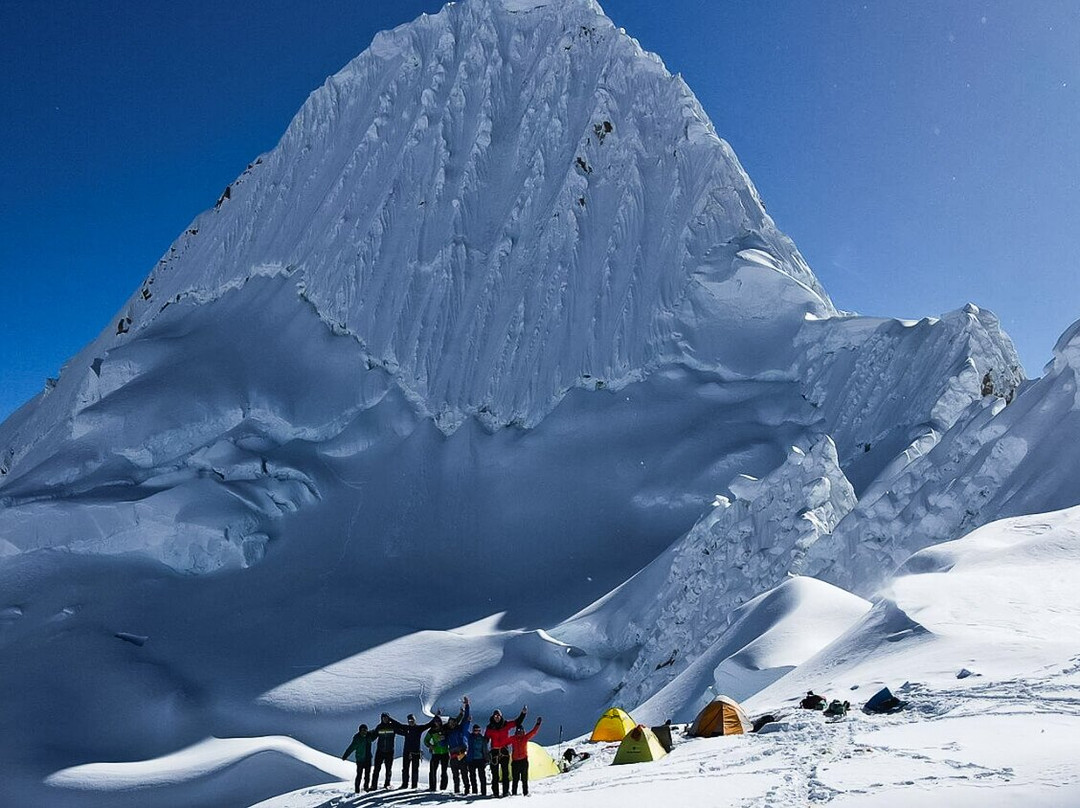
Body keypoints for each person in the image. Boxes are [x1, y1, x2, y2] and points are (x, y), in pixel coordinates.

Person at [485, 705, 527, 798]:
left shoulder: (506, 724)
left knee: (505, 774)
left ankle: (505, 792)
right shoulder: (490, 727)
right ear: (493, 716)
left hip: (504, 751)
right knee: (495, 774)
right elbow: (486, 739)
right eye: (495, 716)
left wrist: (523, 713)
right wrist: (485, 751)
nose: (497, 717)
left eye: (498, 716)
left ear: (501, 716)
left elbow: (517, 722)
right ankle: (495, 792)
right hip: (494, 752)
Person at [390, 711, 437, 788]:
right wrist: (390, 719)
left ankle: (414, 785)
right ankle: (404, 784)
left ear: (415, 720)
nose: (411, 722)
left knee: (415, 770)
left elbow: (428, 725)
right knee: (405, 769)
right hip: (407, 752)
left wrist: (436, 717)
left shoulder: (419, 728)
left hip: (416, 752)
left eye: (412, 721)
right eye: (409, 721)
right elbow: (398, 724)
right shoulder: (406, 728)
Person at [444, 696, 472, 794]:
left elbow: (465, 718)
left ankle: (467, 790)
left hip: (462, 754)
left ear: (455, 723)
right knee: (455, 775)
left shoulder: (461, 729)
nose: (451, 724)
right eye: (450, 723)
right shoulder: (448, 733)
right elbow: (443, 742)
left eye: (453, 722)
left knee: (464, 773)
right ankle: (456, 790)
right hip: (453, 756)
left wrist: (467, 706)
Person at [508, 717, 542, 796]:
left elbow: (534, 732)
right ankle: (514, 793)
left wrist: (538, 724)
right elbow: (505, 741)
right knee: (515, 779)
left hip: (523, 761)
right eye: (518, 731)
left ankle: (525, 793)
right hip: (515, 762)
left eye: (521, 731)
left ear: (523, 731)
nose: (519, 732)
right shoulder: (513, 738)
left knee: (524, 779)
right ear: (516, 731)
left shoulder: (525, 737)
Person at [341, 723, 375, 794]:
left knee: (367, 775)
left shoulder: (369, 736)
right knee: (359, 775)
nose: (364, 732)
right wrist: (345, 755)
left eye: (365, 730)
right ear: (359, 731)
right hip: (360, 760)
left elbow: (376, 733)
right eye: (362, 730)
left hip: (368, 759)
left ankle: (366, 788)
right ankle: (357, 790)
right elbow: (351, 748)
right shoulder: (357, 738)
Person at [369, 713, 398, 790]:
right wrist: (367, 734)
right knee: (376, 769)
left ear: (389, 718)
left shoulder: (392, 727)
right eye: (383, 718)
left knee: (388, 769)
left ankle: (387, 784)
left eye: (386, 718)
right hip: (380, 751)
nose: (385, 719)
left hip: (389, 751)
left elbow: (402, 731)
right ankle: (373, 785)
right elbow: (373, 737)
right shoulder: (379, 727)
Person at [425, 716, 450, 791]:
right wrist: (430, 746)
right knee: (433, 770)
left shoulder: (444, 728)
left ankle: (443, 788)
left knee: (444, 771)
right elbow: (426, 740)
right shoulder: (431, 731)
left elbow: (454, 722)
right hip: (436, 752)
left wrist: (461, 714)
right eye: (436, 721)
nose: (437, 723)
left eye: (439, 721)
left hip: (445, 752)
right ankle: (432, 787)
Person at [466, 723, 490, 796]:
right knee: (472, 776)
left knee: (482, 776)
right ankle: (474, 791)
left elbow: (485, 749)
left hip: (480, 759)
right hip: (472, 759)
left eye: (478, 730)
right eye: (475, 730)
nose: (476, 731)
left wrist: (486, 758)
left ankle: (483, 792)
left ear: (480, 731)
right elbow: (464, 730)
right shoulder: (470, 737)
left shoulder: (483, 739)